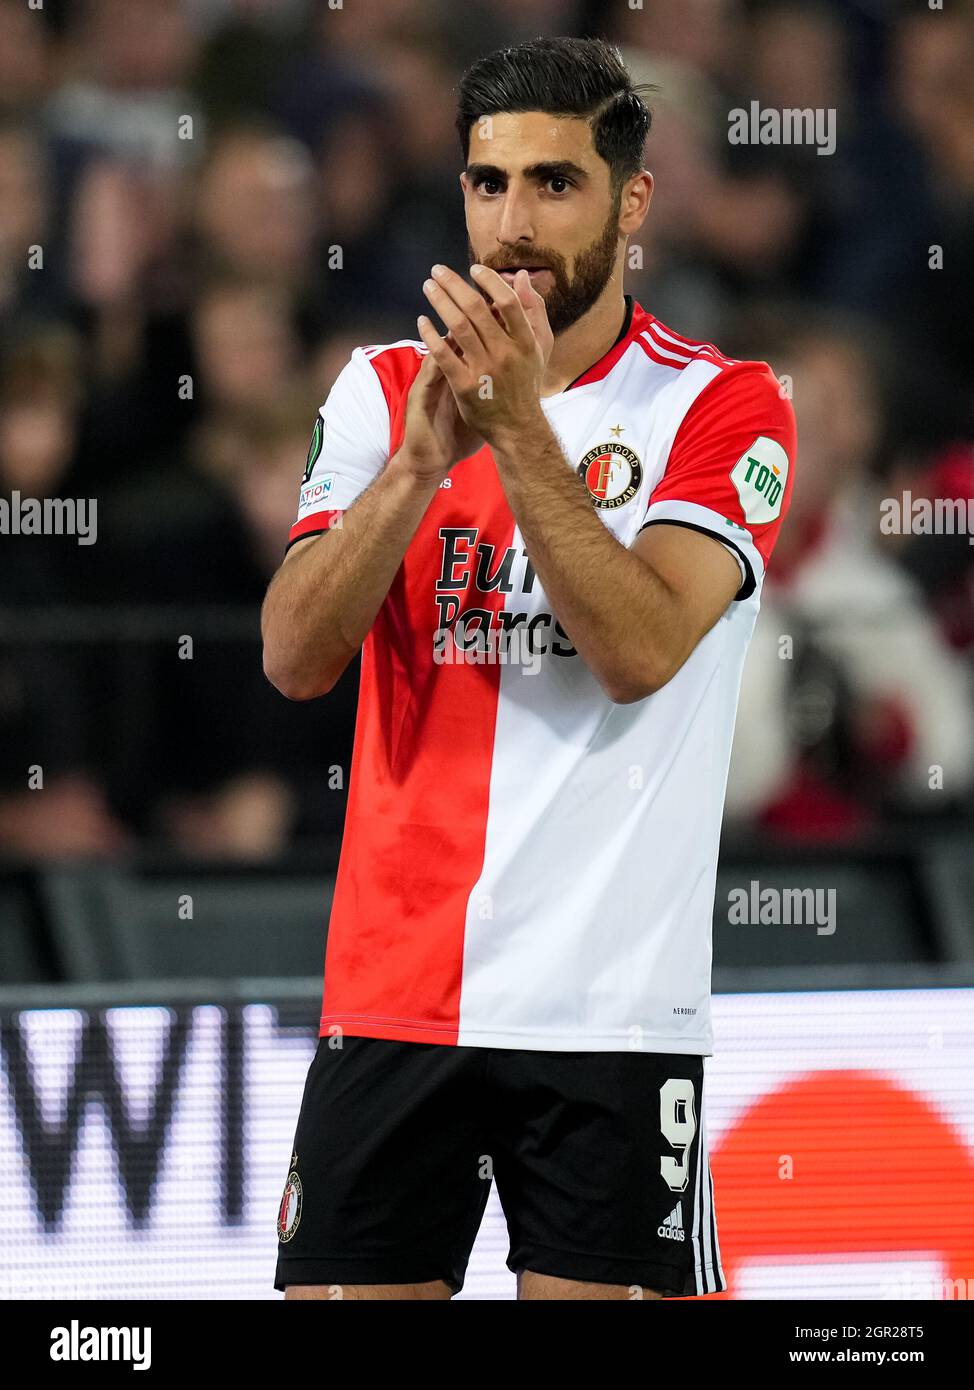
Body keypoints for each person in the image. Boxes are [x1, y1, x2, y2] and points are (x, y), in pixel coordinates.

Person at [261, 36, 796, 1301]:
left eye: (554, 183)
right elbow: (292, 656)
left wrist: (514, 434)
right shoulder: (380, 389)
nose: (513, 225)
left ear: (632, 201)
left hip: (608, 1016)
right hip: (395, 995)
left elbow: (638, 649)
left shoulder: (723, 406)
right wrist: (413, 469)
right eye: (487, 185)